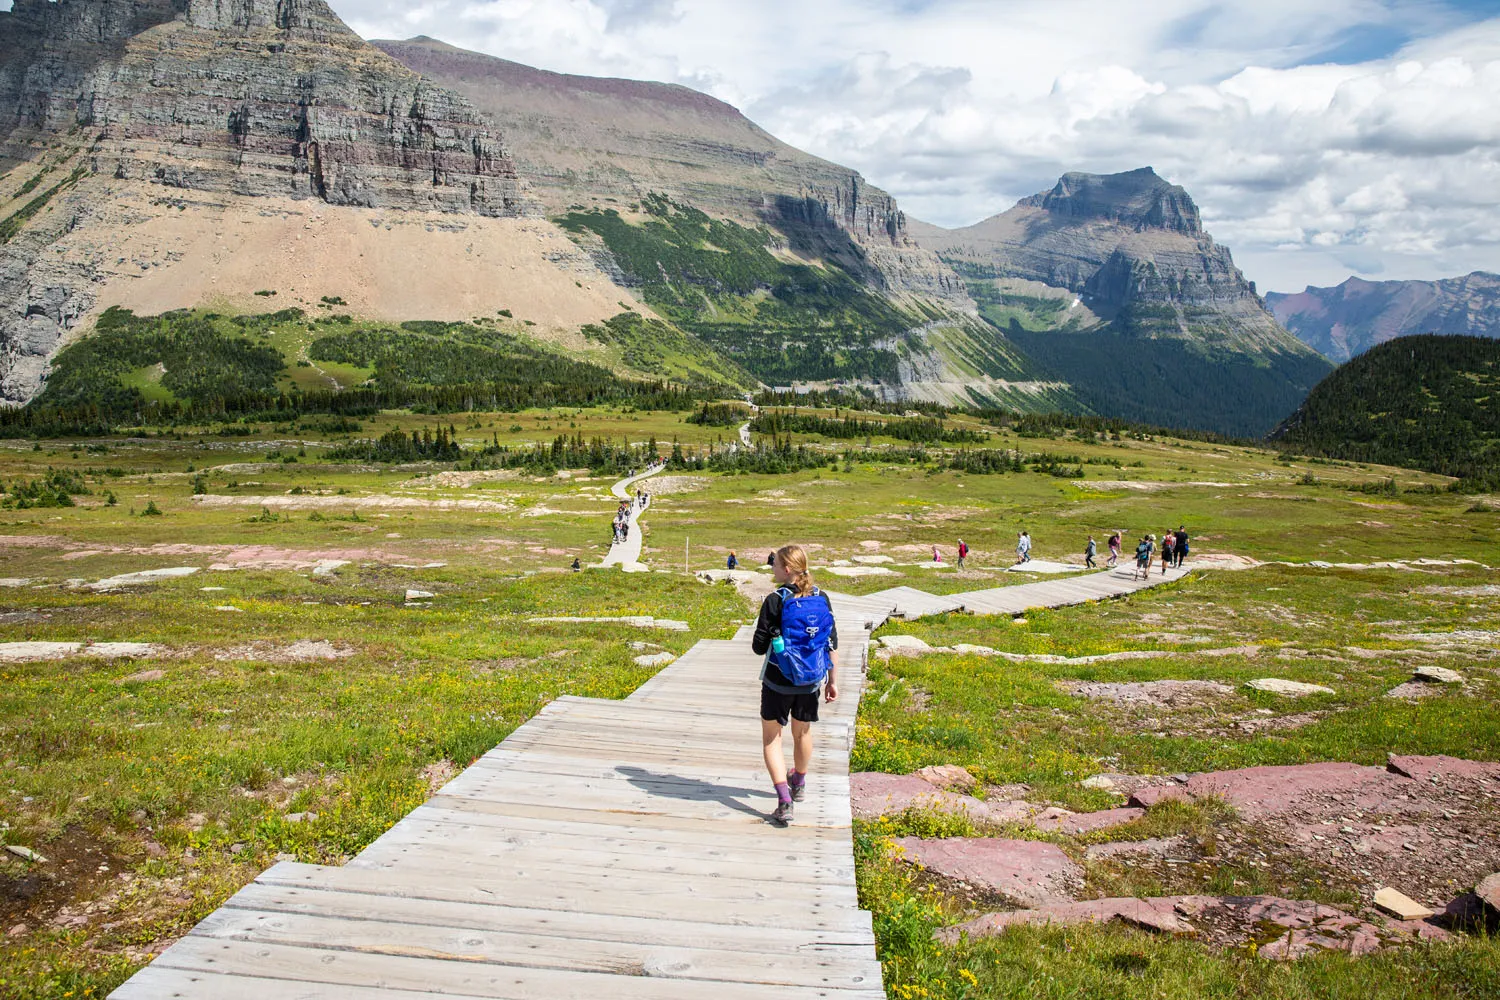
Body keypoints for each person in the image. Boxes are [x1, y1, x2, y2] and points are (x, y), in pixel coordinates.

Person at [751, 545, 839, 828]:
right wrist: (832, 680)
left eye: (775, 565)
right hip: (812, 680)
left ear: (786, 570)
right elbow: (830, 642)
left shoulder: (775, 600)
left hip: (778, 679)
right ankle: (798, 782)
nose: (772, 569)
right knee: (802, 733)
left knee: (771, 738)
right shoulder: (820, 597)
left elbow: (758, 647)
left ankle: (784, 801)